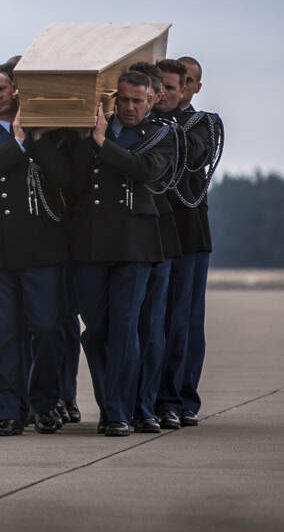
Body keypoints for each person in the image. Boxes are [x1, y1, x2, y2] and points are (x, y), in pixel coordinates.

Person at [66, 71, 174, 436]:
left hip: (134, 244)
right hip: (92, 244)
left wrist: (102, 145)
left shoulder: (160, 135)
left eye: (137, 101)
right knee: (96, 332)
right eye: (124, 100)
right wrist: (88, 139)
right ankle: (112, 403)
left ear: (151, 100)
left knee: (125, 330)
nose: (129, 107)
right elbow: (69, 179)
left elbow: (147, 170)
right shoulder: (95, 128)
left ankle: (117, 412)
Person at [0, 70, 68, 436]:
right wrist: (19, 141)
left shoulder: (50, 132)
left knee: (46, 329)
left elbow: (64, 177)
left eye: (1, 89)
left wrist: (35, 139)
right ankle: (7, 411)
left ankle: (44, 403)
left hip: (42, 246)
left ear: (15, 89)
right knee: (6, 333)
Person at [156, 56, 223, 428]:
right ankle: (154, 397)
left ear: (191, 87)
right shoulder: (148, 123)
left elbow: (195, 154)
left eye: (184, 83)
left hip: (188, 234)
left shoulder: (203, 124)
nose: (172, 91)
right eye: (163, 85)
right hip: (152, 234)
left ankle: (182, 398)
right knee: (152, 322)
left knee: (183, 321)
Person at [132, 65, 184, 433]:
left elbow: (151, 174)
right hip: (116, 240)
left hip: (157, 238)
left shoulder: (164, 134)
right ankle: (121, 404)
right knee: (116, 330)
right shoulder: (117, 132)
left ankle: (149, 404)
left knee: (154, 327)